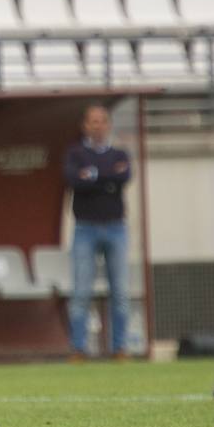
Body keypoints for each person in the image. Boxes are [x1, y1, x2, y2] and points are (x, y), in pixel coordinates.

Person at [65, 103, 131, 360]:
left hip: (116, 227)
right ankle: (78, 349)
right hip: (85, 228)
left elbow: (124, 177)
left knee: (121, 292)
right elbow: (74, 180)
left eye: (102, 120)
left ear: (109, 124)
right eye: (93, 121)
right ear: (85, 125)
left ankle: (120, 348)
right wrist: (106, 180)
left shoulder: (119, 154)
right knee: (81, 291)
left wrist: (92, 176)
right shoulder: (75, 153)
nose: (98, 125)